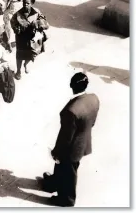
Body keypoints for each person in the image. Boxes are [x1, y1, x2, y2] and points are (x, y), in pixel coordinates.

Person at [42, 73, 100, 207]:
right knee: (62, 167)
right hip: (83, 140)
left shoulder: (71, 111)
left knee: (68, 172)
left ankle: (66, 199)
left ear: (71, 86)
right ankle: (54, 182)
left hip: (72, 148)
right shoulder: (94, 99)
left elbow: (65, 137)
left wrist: (56, 152)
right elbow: (92, 122)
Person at [10, 0, 49, 80]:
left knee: (32, 54)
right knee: (20, 55)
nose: (25, 5)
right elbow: (12, 22)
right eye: (24, 3)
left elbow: (45, 22)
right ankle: (19, 71)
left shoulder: (36, 12)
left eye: (28, 3)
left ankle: (26, 64)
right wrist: (17, 29)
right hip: (21, 38)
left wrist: (38, 24)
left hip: (33, 38)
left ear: (32, 4)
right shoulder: (18, 14)